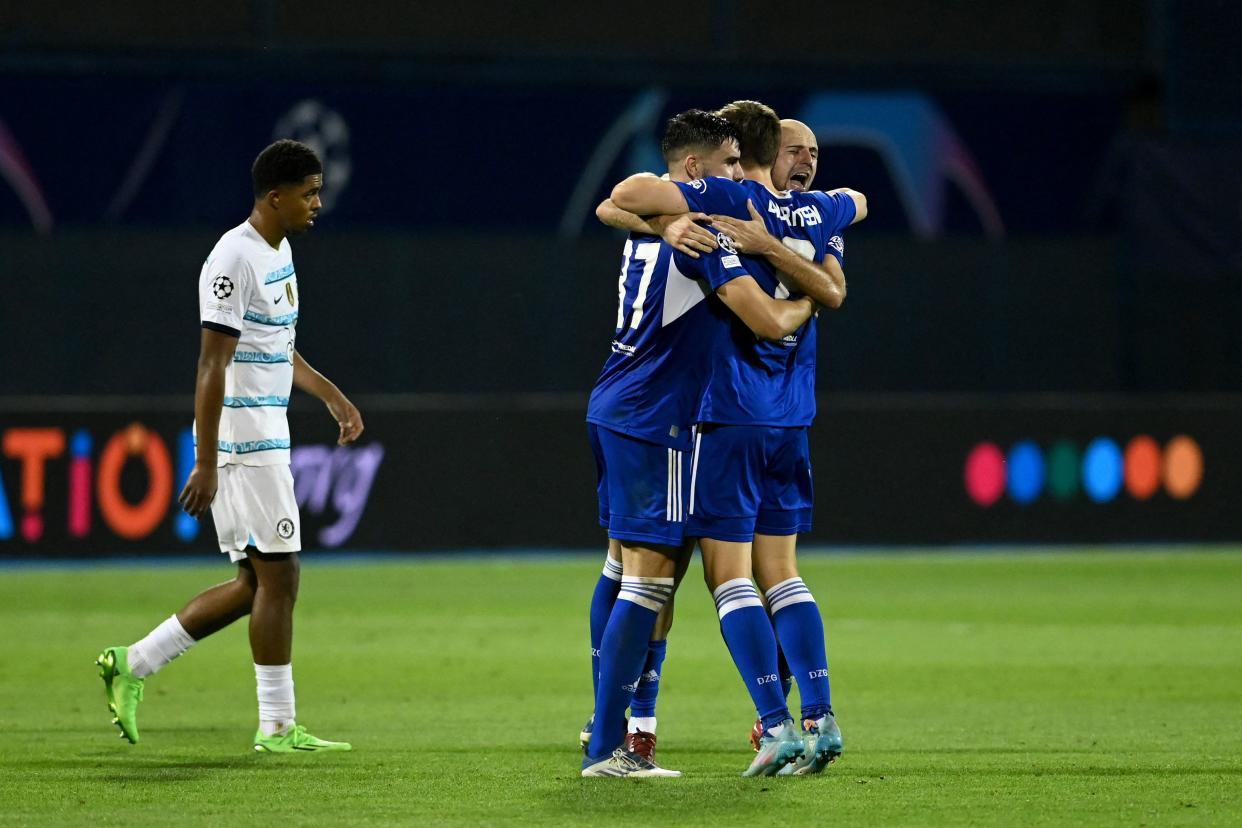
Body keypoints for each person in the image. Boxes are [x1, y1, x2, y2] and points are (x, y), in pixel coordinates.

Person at [610, 100, 865, 775]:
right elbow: (855, 207)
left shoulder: (725, 206)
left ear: (737, 156)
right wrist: (818, 283)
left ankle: (776, 726)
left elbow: (629, 193)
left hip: (732, 416)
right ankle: (822, 715)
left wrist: (696, 225)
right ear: (778, 155)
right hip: (795, 420)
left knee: (727, 579)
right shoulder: (822, 213)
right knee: (784, 573)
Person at [95, 139, 362, 754]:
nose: (318, 202)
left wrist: (331, 396)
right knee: (281, 575)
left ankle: (131, 663)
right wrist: (208, 461)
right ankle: (275, 726)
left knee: (256, 582)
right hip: (242, 443)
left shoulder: (281, 250)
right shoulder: (231, 259)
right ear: (275, 197)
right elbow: (211, 366)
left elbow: (277, 347)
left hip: (269, 433)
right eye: (309, 192)